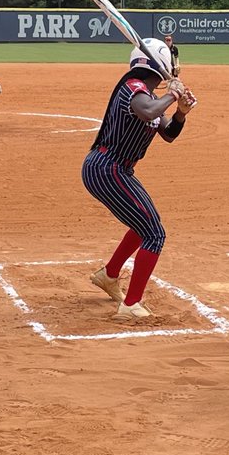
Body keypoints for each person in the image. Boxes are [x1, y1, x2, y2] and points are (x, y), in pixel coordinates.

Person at [82, 38, 196, 321]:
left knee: (146, 224)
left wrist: (180, 112)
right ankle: (131, 304)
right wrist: (170, 96)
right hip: (107, 167)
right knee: (154, 233)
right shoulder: (133, 88)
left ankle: (108, 275)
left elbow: (168, 133)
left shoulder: (146, 93)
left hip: (117, 169)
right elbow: (147, 110)